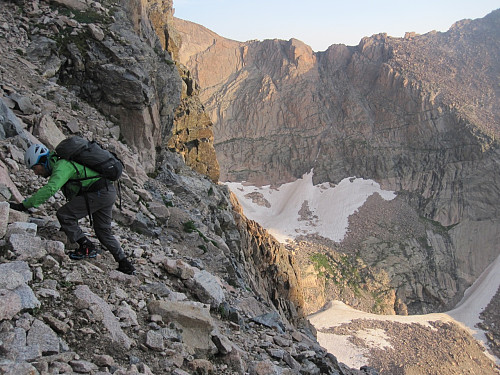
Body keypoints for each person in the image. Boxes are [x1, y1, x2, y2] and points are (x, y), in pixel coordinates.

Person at [10, 143, 135, 275]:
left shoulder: (62, 166)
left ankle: (87, 247)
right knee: (103, 231)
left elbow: (51, 189)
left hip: (98, 193)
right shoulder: (62, 164)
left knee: (64, 215)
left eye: (35, 168)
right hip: (108, 192)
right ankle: (125, 264)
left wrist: (23, 205)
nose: (36, 173)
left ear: (42, 161)